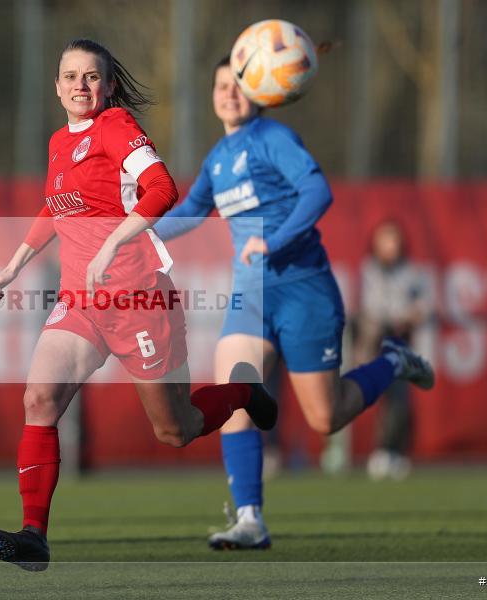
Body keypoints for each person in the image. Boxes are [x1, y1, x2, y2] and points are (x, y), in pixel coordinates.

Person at [0, 39, 277, 571]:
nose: (80, 85)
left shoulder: (116, 128)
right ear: (56, 85)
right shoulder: (57, 141)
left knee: (175, 430)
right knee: (39, 398)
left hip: (139, 298)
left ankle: (243, 390)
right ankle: (34, 536)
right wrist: (15, 265)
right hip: (82, 300)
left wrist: (114, 242)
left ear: (109, 84)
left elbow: (162, 188)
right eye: (70, 76)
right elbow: (55, 206)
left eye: (91, 77)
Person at [152, 56, 435, 550]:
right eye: (221, 85)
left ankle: (392, 362)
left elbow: (317, 191)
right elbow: (192, 212)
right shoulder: (219, 158)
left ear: (260, 91)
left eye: (239, 85)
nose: (229, 93)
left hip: (305, 290)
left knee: (326, 418)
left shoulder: (273, 139)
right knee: (236, 386)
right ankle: (250, 518)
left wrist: (275, 240)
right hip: (252, 295)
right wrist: (137, 236)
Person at [354, 220, 429, 481]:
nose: (390, 246)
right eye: (385, 240)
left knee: (399, 400)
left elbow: (422, 307)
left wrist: (409, 315)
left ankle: (392, 451)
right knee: (363, 397)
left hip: (400, 343)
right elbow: (371, 307)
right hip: (373, 341)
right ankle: (348, 451)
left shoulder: (412, 272)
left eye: (394, 240)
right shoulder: (369, 270)